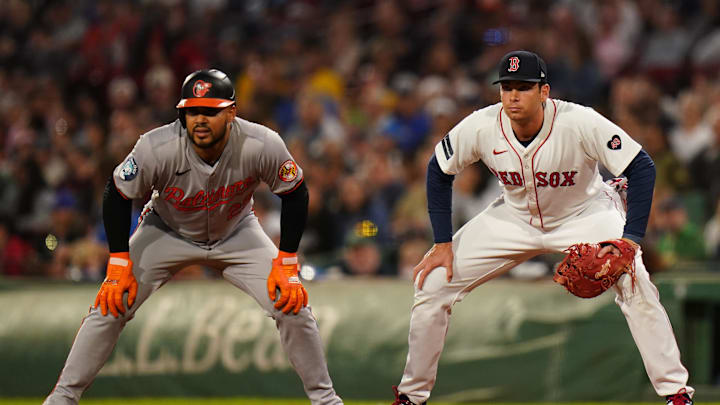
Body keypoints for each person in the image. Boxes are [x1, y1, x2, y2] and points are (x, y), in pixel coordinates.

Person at [390, 51, 693, 405]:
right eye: (507, 87)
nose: (513, 96)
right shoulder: (482, 125)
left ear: (544, 92)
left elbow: (641, 166)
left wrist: (630, 240)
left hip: (585, 214)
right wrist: (442, 242)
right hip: (513, 218)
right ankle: (412, 396)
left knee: (634, 278)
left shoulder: (579, 121)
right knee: (433, 282)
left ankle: (676, 392)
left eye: (523, 87)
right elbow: (438, 170)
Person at [44, 69, 343, 405]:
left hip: (237, 231)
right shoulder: (156, 146)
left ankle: (326, 401)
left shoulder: (261, 143)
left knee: (292, 304)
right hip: (166, 231)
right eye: (191, 111)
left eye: (210, 111)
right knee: (111, 303)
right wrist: (118, 262)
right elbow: (116, 193)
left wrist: (286, 261)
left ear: (231, 112)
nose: (200, 119)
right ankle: (62, 399)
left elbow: (296, 192)